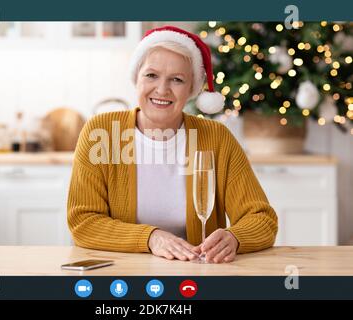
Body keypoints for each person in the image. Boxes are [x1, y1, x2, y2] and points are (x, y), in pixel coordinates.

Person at [67, 26, 278, 263]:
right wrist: (151, 238)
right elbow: (83, 222)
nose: (162, 89)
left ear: (191, 90)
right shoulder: (101, 132)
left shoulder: (217, 138)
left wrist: (235, 238)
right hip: (121, 272)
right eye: (151, 75)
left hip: (198, 272)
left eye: (177, 79)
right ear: (136, 77)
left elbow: (262, 218)